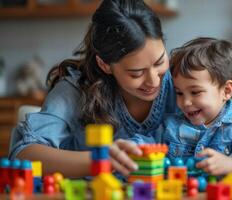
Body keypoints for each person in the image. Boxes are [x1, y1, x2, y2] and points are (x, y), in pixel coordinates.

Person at [8, 0, 177, 178]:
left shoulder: (182, 83)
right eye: (136, 73)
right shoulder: (76, 89)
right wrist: (100, 161)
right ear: (105, 65)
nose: (153, 80)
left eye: (159, 62)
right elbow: (23, 154)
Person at [141, 37, 232, 181]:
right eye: (179, 93)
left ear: (226, 91)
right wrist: (133, 147)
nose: (186, 102)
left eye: (195, 92)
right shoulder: (171, 124)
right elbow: (146, 142)